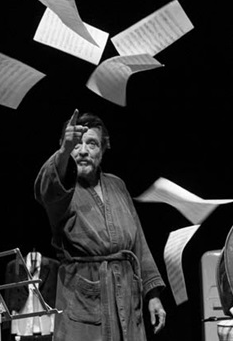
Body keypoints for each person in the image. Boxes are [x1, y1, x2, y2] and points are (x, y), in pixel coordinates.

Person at [34, 109, 166, 340]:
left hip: (126, 295)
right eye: (76, 144)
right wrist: (64, 150)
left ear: (103, 149)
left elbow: (139, 243)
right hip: (83, 301)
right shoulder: (63, 190)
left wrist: (152, 294)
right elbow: (46, 188)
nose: (83, 151)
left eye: (92, 144)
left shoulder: (117, 185)